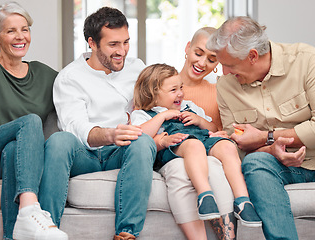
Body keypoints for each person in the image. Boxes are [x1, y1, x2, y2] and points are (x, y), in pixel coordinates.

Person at [50, 7, 156, 240]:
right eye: (113, 45)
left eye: (126, 42)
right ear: (92, 43)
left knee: (142, 141)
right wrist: (110, 134)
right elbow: (76, 127)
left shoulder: (137, 68)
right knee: (59, 140)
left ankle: (127, 233)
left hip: (121, 152)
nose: (122, 51)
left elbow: (151, 104)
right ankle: (46, 228)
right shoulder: (70, 78)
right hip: (85, 156)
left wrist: (135, 122)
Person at [206, 16, 315, 240]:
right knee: (255, 162)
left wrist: (267, 136)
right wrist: (271, 149)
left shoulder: (306, 61)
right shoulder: (226, 86)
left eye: (229, 65)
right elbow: (237, 146)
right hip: (279, 166)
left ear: (252, 56)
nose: (224, 72)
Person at [0, 2, 68, 240]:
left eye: (25, 29)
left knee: (16, 149)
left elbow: (77, 89)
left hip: (12, 158)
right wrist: (15, 134)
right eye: (11, 30)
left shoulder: (43, 75)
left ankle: (14, 235)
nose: (20, 36)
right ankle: (29, 208)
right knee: (29, 123)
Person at [132, 63, 261, 226]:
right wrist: (163, 116)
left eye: (181, 87)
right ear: (152, 94)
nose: (180, 93)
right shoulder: (143, 114)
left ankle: (243, 201)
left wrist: (200, 121)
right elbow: (140, 135)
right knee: (194, 144)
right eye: (173, 90)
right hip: (174, 147)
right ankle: (205, 195)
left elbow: (213, 128)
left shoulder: (189, 106)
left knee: (226, 146)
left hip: (202, 140)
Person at [159, 27, 238, 240]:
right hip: (173, 150)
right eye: (198, 53)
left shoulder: (218, 93)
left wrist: (213, 129)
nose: (202, 63)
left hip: (207, 153)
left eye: (212, 59)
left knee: (213, 165)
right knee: (180, 169)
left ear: (218, 64)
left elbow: (221, 132)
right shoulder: (162, 83)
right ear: (187, 48)